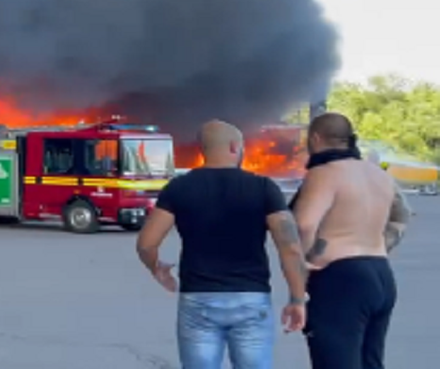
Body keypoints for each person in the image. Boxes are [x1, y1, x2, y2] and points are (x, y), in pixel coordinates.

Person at [136, 120, 308, 369]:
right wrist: (297, 299)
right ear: (234, 147)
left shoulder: (179, 188)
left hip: (198, 299)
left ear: (202, 150)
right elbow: (290, 247)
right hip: (251, 298)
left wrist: (156, 267)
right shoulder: (263, 188)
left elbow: (146, 244)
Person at [291, 112, 409, 369]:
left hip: (341, 278)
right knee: (371, 363)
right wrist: (382, 243)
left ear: (316, 138)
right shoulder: (379, 175)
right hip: (380, 274)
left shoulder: (324, 173)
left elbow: (304, 224)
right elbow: (401, 216)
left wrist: (308, 259)